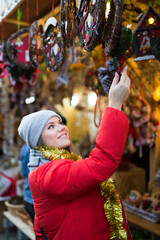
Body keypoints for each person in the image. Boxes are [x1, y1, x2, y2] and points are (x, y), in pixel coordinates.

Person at [18, 67, 132, 240]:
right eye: (51, 126)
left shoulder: (63, 164)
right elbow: (101, 163)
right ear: (38, 141)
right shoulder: (46, 175)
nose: (62, 127)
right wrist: (114, 105)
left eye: (59, 122)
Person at [20, 143, 35, 223]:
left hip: (27, 198)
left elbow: (22, 172)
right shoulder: (40, 149)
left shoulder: (24, 147)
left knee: (37, 232)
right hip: (36, 201)